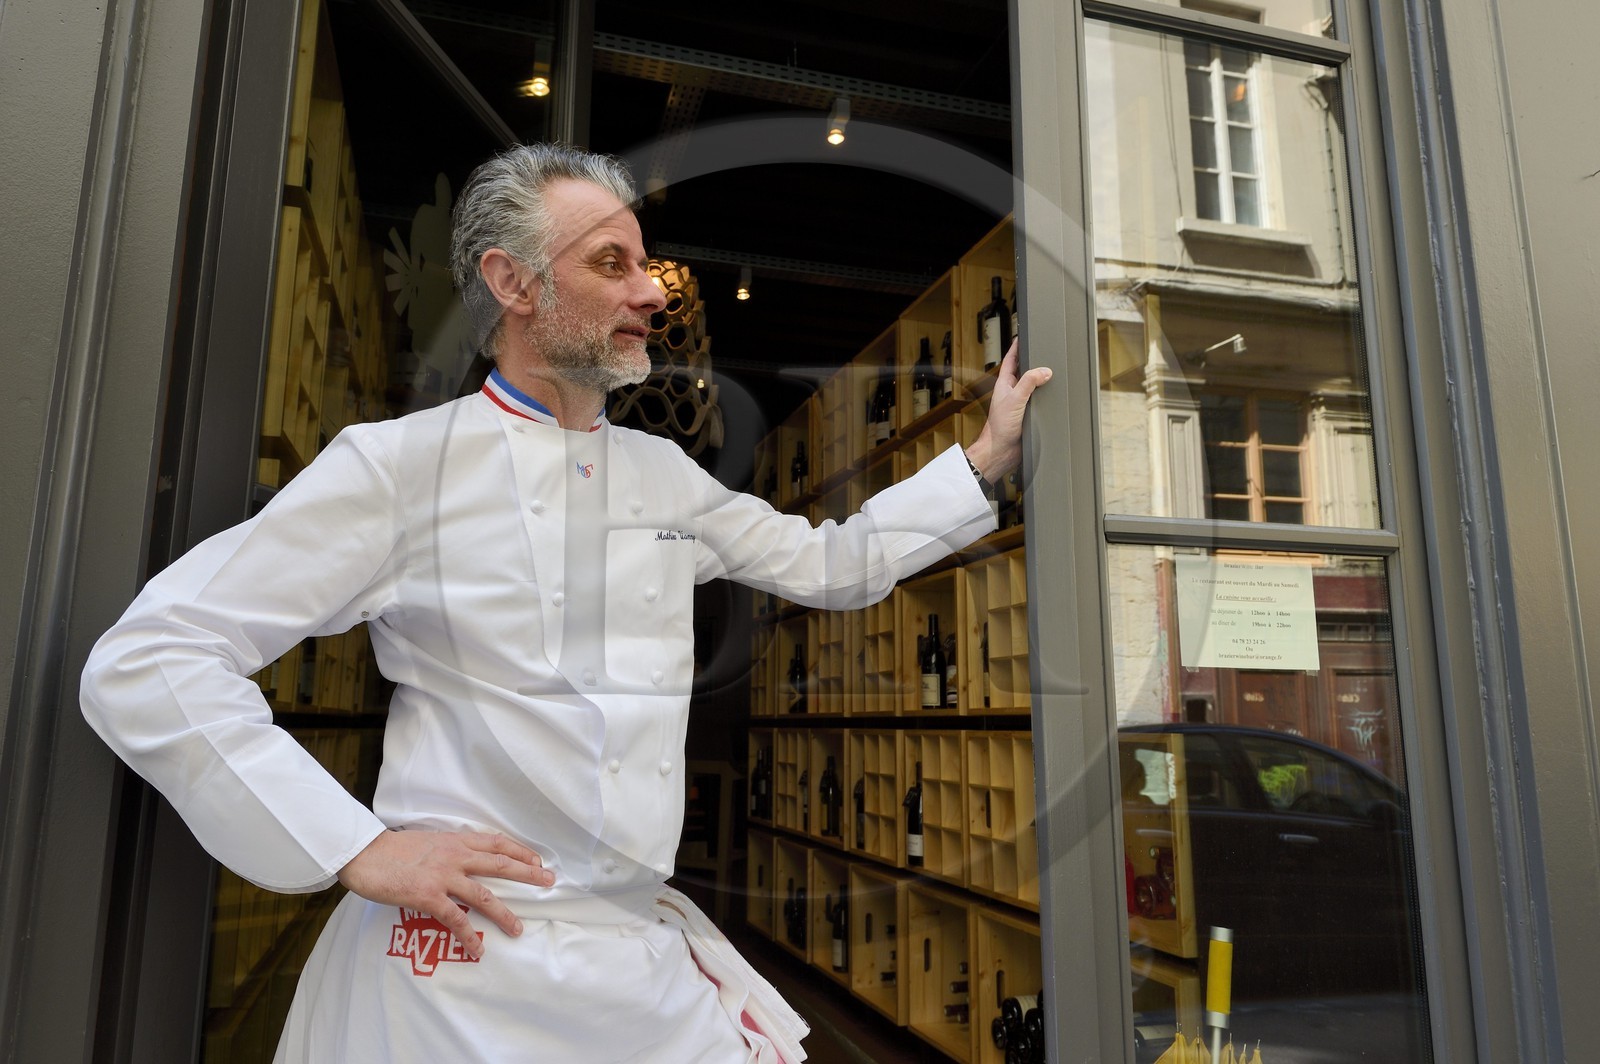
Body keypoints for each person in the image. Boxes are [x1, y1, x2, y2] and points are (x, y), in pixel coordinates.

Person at [80, 143, 1051, 1063]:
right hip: (455, 976)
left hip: (628, 959)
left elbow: (833, 565)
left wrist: (983, 460)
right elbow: (151, 657)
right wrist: (354, 843)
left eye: (647, 265)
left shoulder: (666, 474)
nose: (647, 293)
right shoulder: (398, 467)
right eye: (612, 262)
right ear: (513, 282)